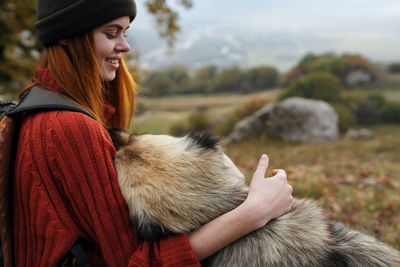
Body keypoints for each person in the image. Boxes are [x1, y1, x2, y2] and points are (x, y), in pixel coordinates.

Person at [13, 0, 293, 265]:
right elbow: (132, 262)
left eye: (125, 32)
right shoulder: (69, 129)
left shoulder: (39, 106)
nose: (124, 46)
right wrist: (253, 212)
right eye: (112, 34)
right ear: (67, 36)